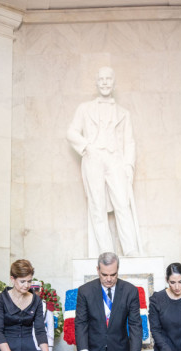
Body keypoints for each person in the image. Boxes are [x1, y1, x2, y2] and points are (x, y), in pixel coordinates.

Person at [67, 67, 141, 257]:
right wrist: (87, 147)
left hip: (115, 159)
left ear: (114, 83)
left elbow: (129, 141)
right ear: (97, 83)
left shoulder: (123, 113)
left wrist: (128, 165)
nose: (105, 82)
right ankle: (107, 252)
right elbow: (71, 132)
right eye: (101, 79)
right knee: (97, 206)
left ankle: (130, 248)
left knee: (122, 204)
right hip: (93, 158)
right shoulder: (84, 108)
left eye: (109, 79)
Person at [0, 260, 62, 351]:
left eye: (29, 281)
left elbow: (40, 331)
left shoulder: (36, 300)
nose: (27, 285)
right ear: (12, 279)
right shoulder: (0, 299)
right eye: (22, 281)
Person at [75, 252, 143, 351]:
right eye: (104, 275)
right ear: (98, 270)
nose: (109, 279)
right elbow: (81, 323)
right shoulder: (85, 291)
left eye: (113, 274)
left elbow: (135, 324)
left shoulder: (130, 291)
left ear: (118, 269)